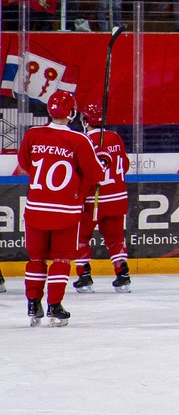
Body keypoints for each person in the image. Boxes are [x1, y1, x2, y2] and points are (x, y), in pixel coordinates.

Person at [18, 91, 106, 326]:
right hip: (65, 211)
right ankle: (54, 306)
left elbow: (25, 163)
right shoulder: (79, 140)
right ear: (72, 113)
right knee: (61, 259)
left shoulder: (32, 135)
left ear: (49, 110)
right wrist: (100, 162)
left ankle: (33, 303)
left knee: (36, 259)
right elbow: (96, 174)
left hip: (36, 207)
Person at [72, 103, 132, 294]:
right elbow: (126, 165)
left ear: (86, 120)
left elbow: (82, 172)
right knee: (115, 239)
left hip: (93, 200)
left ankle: (84, 276)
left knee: (81, 237)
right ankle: (122, 275)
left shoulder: (84, 140)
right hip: (117, 198)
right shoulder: (115, 137)